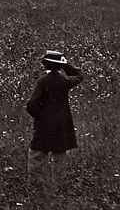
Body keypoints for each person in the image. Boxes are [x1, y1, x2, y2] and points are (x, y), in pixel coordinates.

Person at [26, 50, 84, 195]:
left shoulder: (42, 81)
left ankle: (35, 189)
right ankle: (57, 190)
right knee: (59, 158)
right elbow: (79, 75)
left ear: (45, 64)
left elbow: (31, 106)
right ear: (60, 66)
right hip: (61, 127)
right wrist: (66, 64)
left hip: (44, 126)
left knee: (36, 157)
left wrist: (41, 117)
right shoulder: (64, 82)